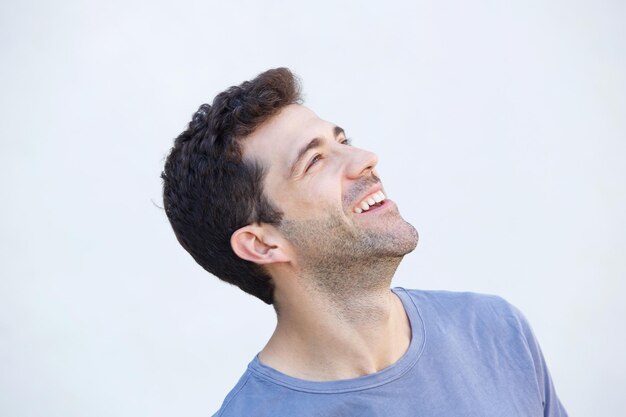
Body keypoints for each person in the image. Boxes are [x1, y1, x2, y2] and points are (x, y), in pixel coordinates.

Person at [161, 68, 568, 417]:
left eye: (342, 140)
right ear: (263, 245)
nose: (364, 158)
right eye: (315, 160)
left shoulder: (496, 332)